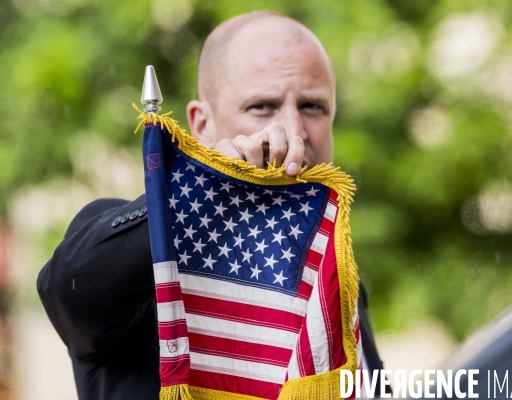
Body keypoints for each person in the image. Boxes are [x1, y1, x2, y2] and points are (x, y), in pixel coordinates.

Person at [37, 11, 386, 399]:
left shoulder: (334, 276)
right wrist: (194, 194)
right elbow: (66, 289)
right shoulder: (140, 259)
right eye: (262, 107)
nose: (293, 129)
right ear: (201, 124)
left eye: (312, 107)